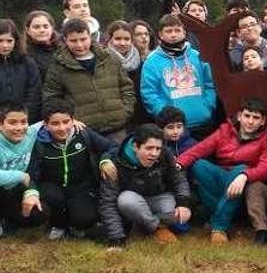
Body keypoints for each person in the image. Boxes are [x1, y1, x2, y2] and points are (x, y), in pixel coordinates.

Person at [177, 98, 267, 244]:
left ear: (263, 121)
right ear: (239, 116)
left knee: (241, 168)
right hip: (221, 178)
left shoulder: (266, 139)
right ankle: (222, 212)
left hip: (243, 185)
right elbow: (200, 149)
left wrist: (244, 175)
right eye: (247, 116)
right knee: (199, 165)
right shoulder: (225, 131)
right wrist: (179, 163)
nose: (250, 121)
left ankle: (218, 226)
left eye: (256, 118)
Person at [28, 101, 117, 240]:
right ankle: (58, 224)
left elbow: (112, 147)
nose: (62, 128)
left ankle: (74, 224)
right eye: (55, 124)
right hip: (51, 186)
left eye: (66, 122)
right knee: (54, 197)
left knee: (85, 219)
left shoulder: (83, 133)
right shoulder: (38, 141)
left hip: (80, 186)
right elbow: (31, 173)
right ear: (45, 125)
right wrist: (31, 190)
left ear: (73, 120)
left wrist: (105, 160)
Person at [100, 124, 193, 247]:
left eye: (157, 148)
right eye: (149, 148)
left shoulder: (165, 154)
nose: (154, 153)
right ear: (135, 147)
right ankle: (157, 228)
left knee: (179, 213)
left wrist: (184, 203)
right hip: (132, 201)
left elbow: (179, 178)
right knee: (126, 200)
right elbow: (108, 202)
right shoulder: (115, 163)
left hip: (159, 197)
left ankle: (143, 225)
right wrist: (116, 239)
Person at [43, 19, 135, 142]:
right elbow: (52, 98)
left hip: (117, 128)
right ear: (65, 40)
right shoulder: (58, 66)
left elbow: (126, 87)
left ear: (90, 37)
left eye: (83, 39)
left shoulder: (109, 57)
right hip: (83, 131)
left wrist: (125, 111)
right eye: (73, 41)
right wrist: (69, 121)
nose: (80, 45)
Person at [139, 14, 216, 137]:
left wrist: (207, 106)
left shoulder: (198, 56)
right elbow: (149, 93)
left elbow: (210, 84)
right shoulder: (151, 61)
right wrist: (165, 115)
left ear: (184, 32)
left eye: (177, 30)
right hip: (173, 129)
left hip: (203, 123)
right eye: (168, 31)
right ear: (160, 34)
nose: (173, 35)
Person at [0, 101, 47, 235]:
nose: (19, 127)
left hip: (15, 190)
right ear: (1, 125)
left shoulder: (30, 133)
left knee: (38, 213)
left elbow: (47, 122)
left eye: (23, 121)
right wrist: (20, 176)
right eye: (12, 122)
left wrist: (75, 122)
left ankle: (10, 221)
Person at [0, 18, 41, 120]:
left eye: (9, 41)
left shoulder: (27, 63)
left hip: (24, 120)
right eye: (0, 41)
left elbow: (34, 92)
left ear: (16, 41)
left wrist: (23, 116)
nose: (5, 45)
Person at [23, 10, 59, 79]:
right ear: (27, 30)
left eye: (46, 26)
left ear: (52, 28)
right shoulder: (23, 54)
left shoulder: (65, 47)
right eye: (36, 27)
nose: (42, 30)